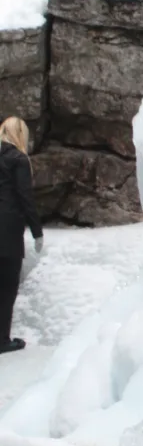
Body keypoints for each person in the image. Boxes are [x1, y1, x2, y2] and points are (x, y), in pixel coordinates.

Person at [0, 116, 43, 354]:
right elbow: (25, 197)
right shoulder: (18, 159)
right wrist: (37, 232)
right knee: (6, 287)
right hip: (6, 234)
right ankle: (1, 340)